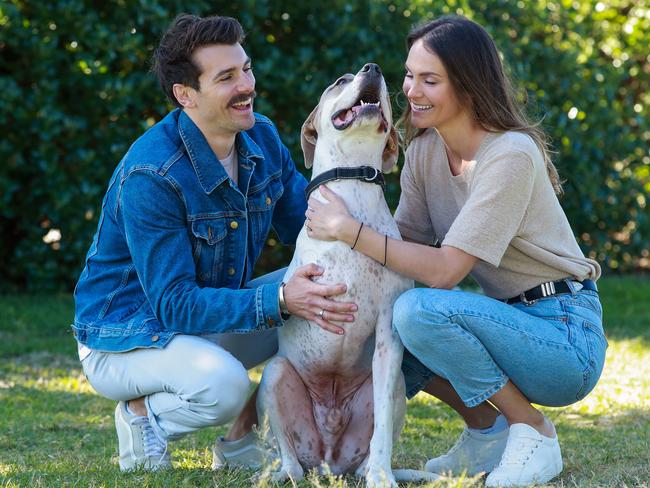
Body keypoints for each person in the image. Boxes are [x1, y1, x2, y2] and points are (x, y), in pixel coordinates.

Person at [305, 15, 606, 487]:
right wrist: (295, 287)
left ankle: (534, 431)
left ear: (468, 86)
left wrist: (347, 229)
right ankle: (487, 429)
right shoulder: (425, 151)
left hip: (564, 336)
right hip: (502, 320)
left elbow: (444, 272)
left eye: (430, 80)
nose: (411, 90)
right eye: (409, 75)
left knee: (417, 311)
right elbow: (399, 251)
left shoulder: (510, 154)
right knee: (381, 334)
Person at [72, 13, 358, 472]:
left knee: (334, 294)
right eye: (226, 77)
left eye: (245, 68)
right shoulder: (153, 175)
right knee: (223, 385)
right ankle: (141, 413)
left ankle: (241, 442)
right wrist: (282, 298)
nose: (246, 85)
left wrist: (363, 222)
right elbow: (174, 304)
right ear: (185, 95)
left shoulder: (258, 135)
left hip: (199, 321)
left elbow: (304, 224)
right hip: (124, 339)